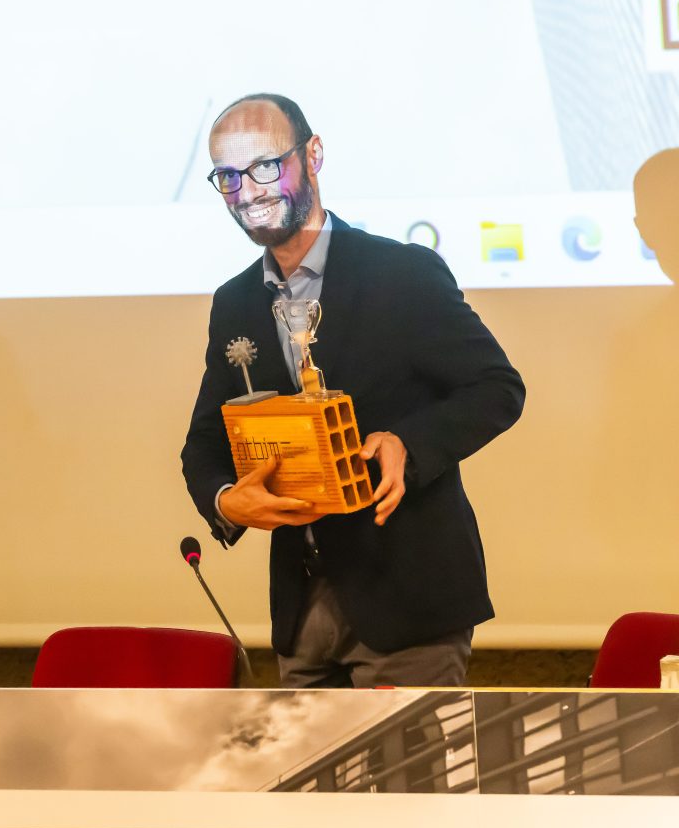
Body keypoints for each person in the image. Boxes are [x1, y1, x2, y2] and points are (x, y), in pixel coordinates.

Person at [181, 93, 525, 688]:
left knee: (408, 758)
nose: (248, 191)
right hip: (300, 612)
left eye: (265, 166)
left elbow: (496, 387)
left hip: (408, 602)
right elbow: (204, 443)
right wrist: (224, 501)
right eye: (228, 176)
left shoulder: (403, 273)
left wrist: (408, 445)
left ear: (313, 154)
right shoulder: (234, 301)